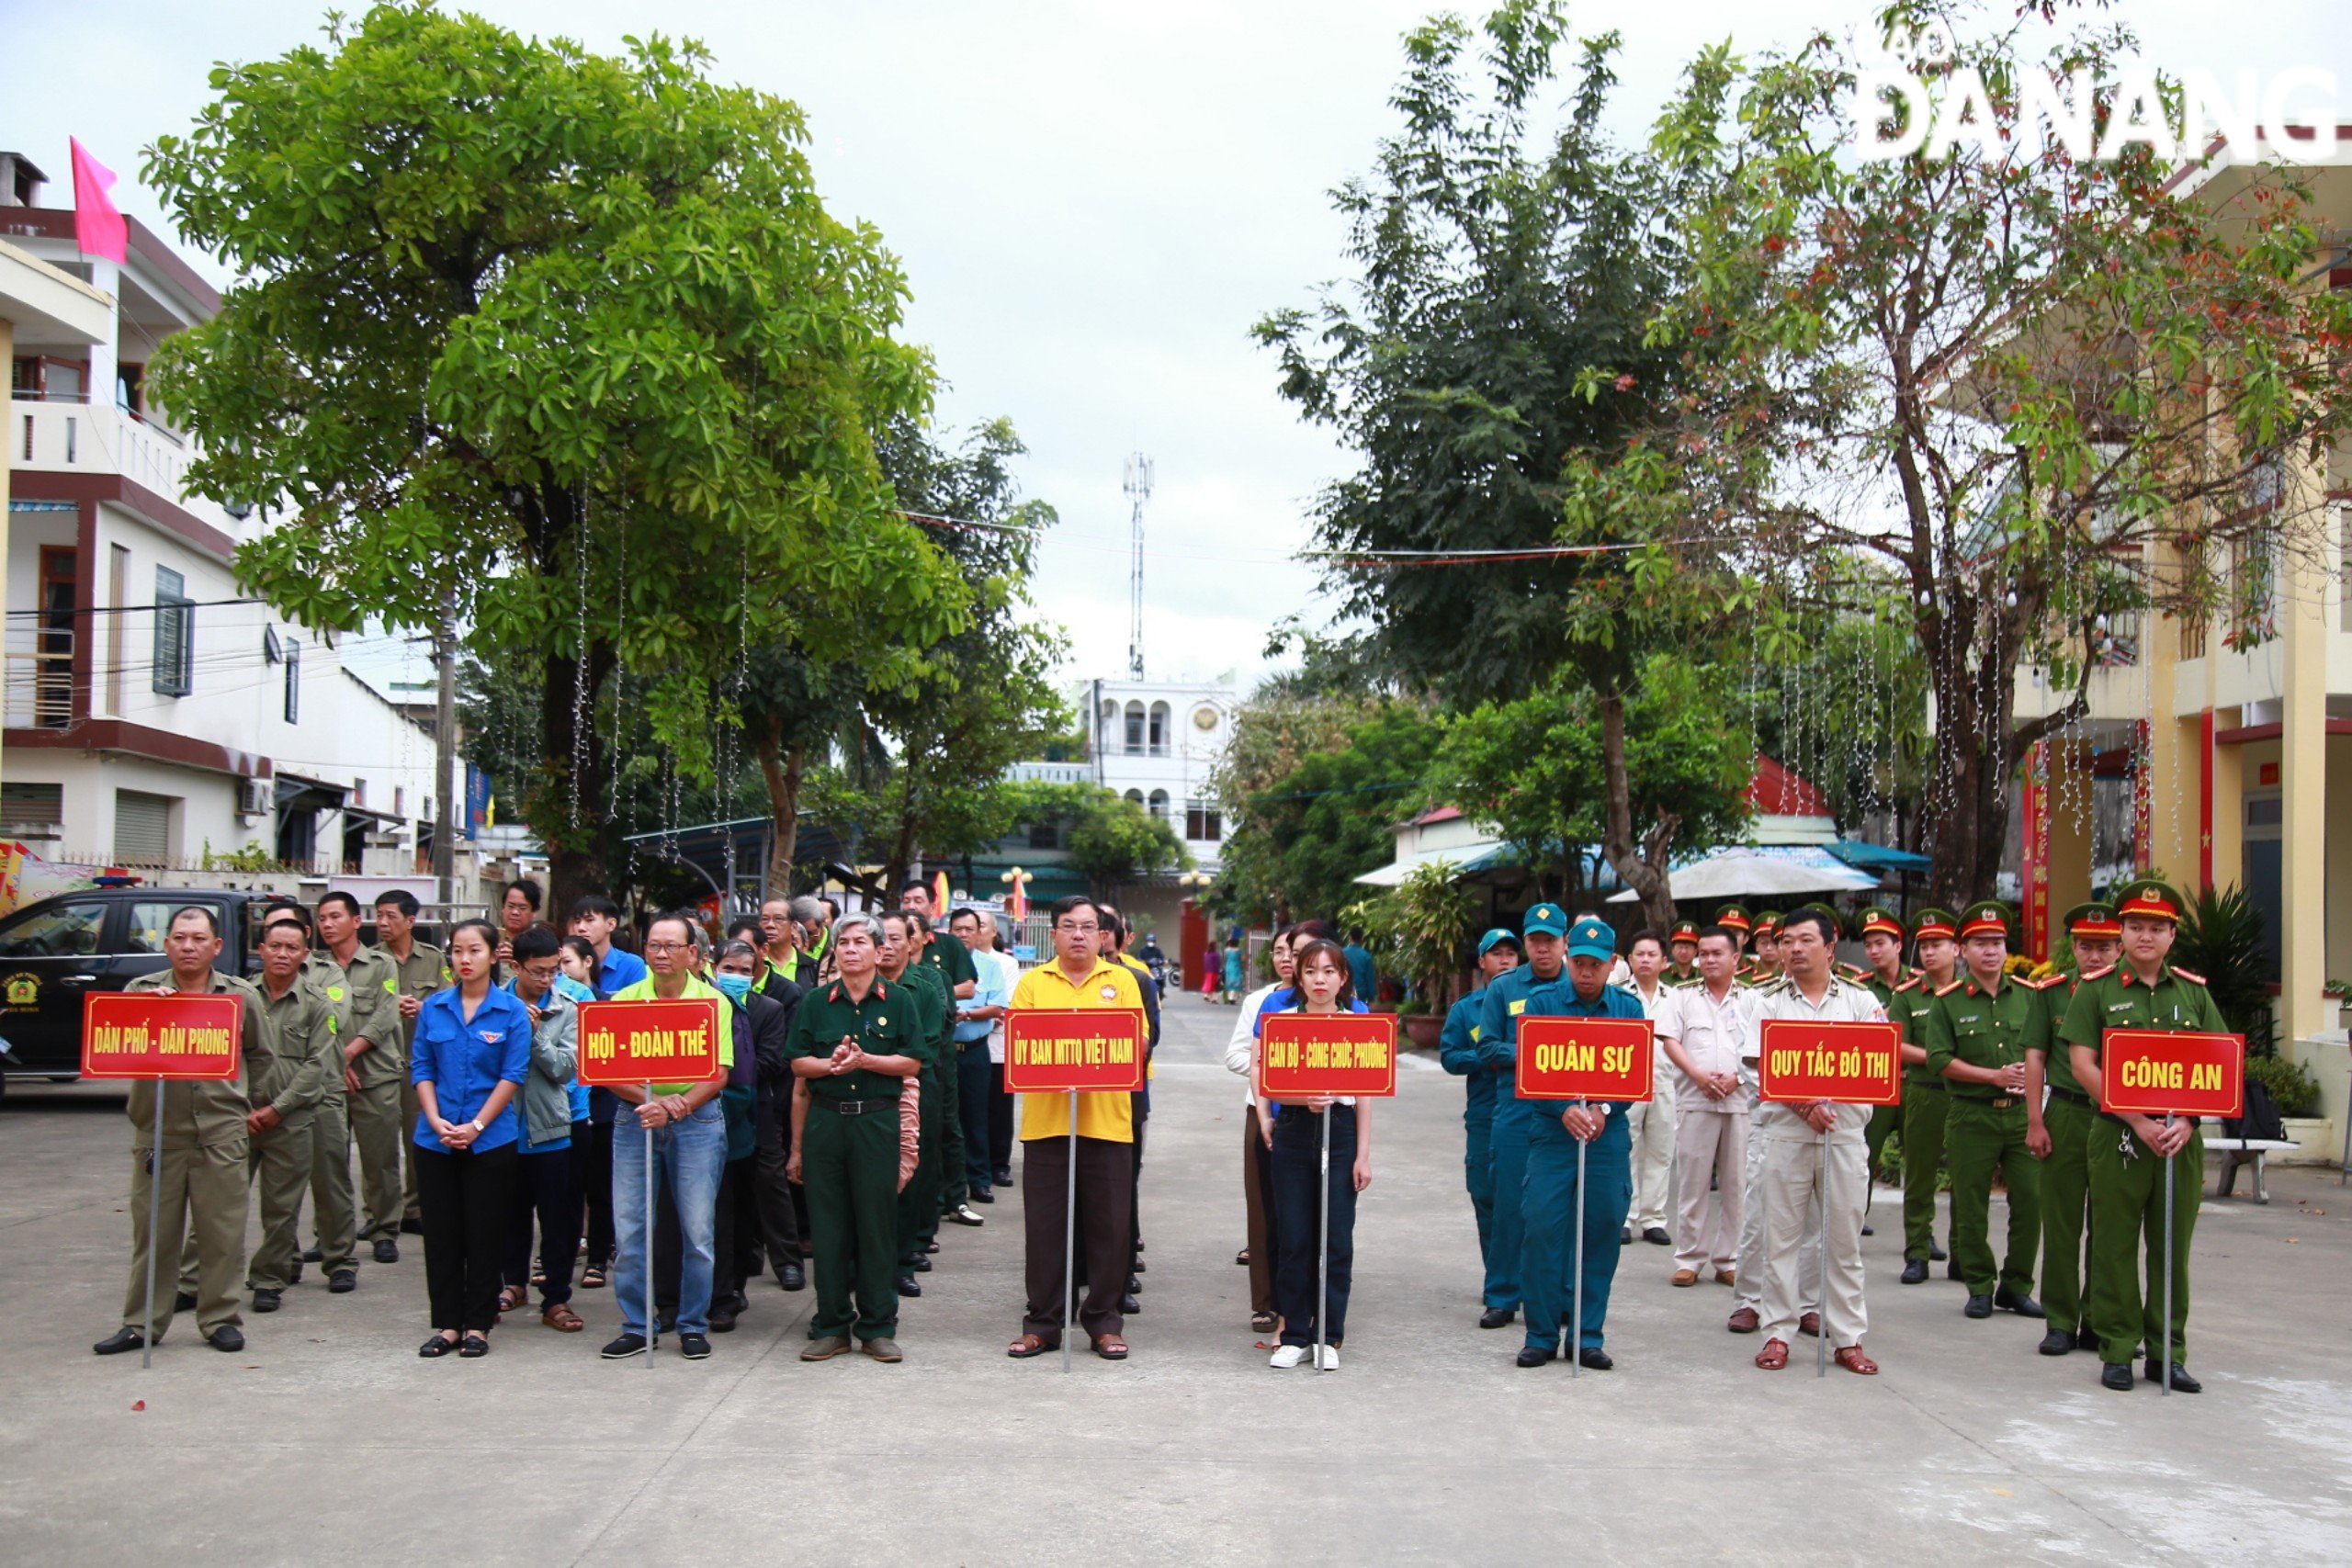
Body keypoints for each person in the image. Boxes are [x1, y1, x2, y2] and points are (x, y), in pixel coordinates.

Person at [2059, 878, 2222, 1394]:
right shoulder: (2097, 988)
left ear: (2173, 936)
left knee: (2171, 1247)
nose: (2145, 936)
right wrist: (2137, 1119)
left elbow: (2219, 1065)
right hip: (2119, 1134)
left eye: (2157, 928)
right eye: (2135, 927)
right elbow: (2082, 1063)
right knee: (2113, 1244)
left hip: (2179, 1139)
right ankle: (2117, 1349)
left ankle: (2167, 1353)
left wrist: (2189, 1121)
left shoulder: (2195, 994)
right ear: (2122, 932)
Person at [94, 908, 271, 1357]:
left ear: (217, 946)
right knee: (154, 1234)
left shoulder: (240, 996)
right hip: (159, 1134)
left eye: (197, 938)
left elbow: (261, 1055)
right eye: (179, 938)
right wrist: (151, 1014)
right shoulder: (141, 991)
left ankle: (219, 1319)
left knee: (222, 1234)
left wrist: (248, 1103)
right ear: (166, 944)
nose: (188, 946)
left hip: (220, 1133)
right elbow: (114, 1047)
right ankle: (141, 1324)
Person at [1005, 896, 1148, 1362]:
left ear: (1103, 935)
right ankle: (1043, 1322)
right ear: (1055, 934)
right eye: (1070, 926)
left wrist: (1090, 1050)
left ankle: (1104, 1322)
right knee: (1045, 1228)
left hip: (1107, 1123)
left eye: (1089, 927)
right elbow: (1020, 1043)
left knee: (1109, 1228)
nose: (1080, 935)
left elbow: (1139, 1043)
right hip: (1047, 1124)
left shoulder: (1122, 980)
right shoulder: (1032, 983)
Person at [1749, 908, 1889, 1375]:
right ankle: (1777, 1332)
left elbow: (1877, 1065)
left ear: (1830, 947)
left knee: (1843, 1242)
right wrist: (1805, 1104)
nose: (1794, 949)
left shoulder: (1859, 1001)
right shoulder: (1768, 1001)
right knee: (1781, 1240)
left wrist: (1830, 1100)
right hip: (1787, 1136)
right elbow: (1759, 1064)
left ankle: (1848, 1337)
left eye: (1806, 940)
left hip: (1844, 1137)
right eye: (1787, 941)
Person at [175, 912, 334, 1316]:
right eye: (275, 947)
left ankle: (269, 1280)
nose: (282, 955)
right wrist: (242, 1109)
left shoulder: (317, 1004)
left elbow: (316, 1066)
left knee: (281, 1210)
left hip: (291, 1119)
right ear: (260, 951)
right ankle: (192, 1282)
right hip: (233, 1120)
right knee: (214, 1208)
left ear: (305, 954)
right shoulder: (237, 996)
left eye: (292, 948)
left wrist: (276, 1110)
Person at [600, 911, 737, 1362]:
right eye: (653, 946)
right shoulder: (624, 1000)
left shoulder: (712, 1004)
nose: (660, 954)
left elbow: (719, 1074)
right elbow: (605, 1070)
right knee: (632, 1228)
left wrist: (678, 1105)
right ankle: (638, 1324)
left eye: (670, 946)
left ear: (692, 953)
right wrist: (653, 1104)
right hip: (635, 1118)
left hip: (697, 1121)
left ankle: (693, 1323)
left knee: (697, 1230)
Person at [1512, 917, 1648, 1371]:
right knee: (1541, 1231)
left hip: (1605, 1137)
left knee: (1602, 1231)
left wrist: (1604, 1109)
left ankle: (1587, 1336)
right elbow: (1528, 1067)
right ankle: (1541, 1334)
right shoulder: (1543, 1001)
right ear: (1570, 960)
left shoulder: (1628, 1010)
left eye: (1596, 965)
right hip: (1553, 1136)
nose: (1586, 973)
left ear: (1613, 964)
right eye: (1580, 963)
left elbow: (1635, 1076)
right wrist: (1561, 1106)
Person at [786, 913, 922, 1362]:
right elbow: (798, 1064)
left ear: (879, 950)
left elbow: (912, 1062)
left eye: (860, 942)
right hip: (827, 1122)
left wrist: (866, 1061)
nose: (849, 950)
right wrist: (833, 1066)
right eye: (842, 942)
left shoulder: (900, 1000)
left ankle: (878, 1326)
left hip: (876, 1122)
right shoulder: (815, 1002)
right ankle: (831, 1325)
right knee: (828, 1228)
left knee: (876, 1226)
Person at [411, 919, 532, 1358]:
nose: (464, 959)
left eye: (474, 950)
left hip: (491, 1139)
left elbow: (512, 1074)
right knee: (442, 1235)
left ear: (494, 954)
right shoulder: (434, 1008)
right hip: (435, 1138)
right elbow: (421, 1068)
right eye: (457, 951)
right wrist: (436, 1120)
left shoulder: (510, 1010)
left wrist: (477, 1125)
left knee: (485, 1233)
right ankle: (446, 1324)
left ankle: (478, 1324)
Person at [1926, 901, 2048, 1322]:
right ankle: (1979, 1284)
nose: (1991, 951)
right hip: (1971, 1114)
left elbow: (2045, 1049)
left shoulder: (2032, 997)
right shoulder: (1948, 1002)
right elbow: (1940, 1059)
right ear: (1963, 950)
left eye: (1997, 942)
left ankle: (2016, 1285)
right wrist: (1992, 1076)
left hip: (2021, 1116)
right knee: (1971, 1204)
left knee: (2031, 1200)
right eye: (1980, 943)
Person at [1261, 938, 1374, 1369]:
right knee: (1294, 1237)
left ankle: (1329, 1335)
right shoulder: (1282, 1022)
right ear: (1298, 976)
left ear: (1343, 978)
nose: (1319, 979)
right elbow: (1271, 1086)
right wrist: (1299, 1100)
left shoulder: (1357, 1026)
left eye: (1329, 971)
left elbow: (1365, 1095)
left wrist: (1363, 1154)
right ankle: (1294, 1334)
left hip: (1341, 1133)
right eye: (1310, 971)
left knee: (1336, 1237)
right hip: (1293, 1131)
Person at [1474, 903, 1574, 1330]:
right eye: (1535, 941)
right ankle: (1502, 1295)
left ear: (1564, 942)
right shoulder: (1504, 987)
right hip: (1515, 1109)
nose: (1542, 949)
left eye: (1550, 941)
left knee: (1562, 1213)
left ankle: (1562, 1297)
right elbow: (1487, 1046)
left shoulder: (1584, 984)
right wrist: (1536, 1055)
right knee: (1510, 1206)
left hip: (1566, 1114)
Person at [2028, 901, 2120, 1357]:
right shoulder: (2052, 993)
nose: (2095, 956)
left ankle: (2100, 1321)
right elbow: (2036, 1058)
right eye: (2086, 947)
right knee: (2061, 1224)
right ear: (2073, 949)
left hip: (2119, 1118)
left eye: (2104, 947)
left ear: (2120, 949)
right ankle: (2060, 1321)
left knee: (2109, 1226)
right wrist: (2035, 1120)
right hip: (2065, 1112)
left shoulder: (2129, 995)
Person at [303, 890, 401, 1292]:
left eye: (334, 917)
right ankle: (328, 1236)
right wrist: (335, 1064)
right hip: (327, 1080)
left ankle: (383, 1230)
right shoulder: (311, 968)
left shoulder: (382, 964)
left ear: (354, 922)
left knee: (379, 1158)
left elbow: (386, 1013)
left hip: (375, 1074)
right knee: (328, 1162)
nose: (326, 925)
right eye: (322, 919)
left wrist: (347, 1054)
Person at [500, 926, 583, 1334]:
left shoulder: (567, 1008)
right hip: (499, 1126)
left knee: (557, 1220)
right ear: (516, 967)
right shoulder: (493, 1003)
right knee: (508, 1213)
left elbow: (565, 1069)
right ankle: (512, 1283)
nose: (547, 980)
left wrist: (535, 1037)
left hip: (550, 1126)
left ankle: (557, 1298)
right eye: (538, 972)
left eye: (553, 971)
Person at [1660, 927, 1750, 1290]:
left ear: (1735, 959)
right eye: (1704, 953)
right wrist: (1697, 1075)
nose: (1709, 960)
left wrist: (1738, 1079)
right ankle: (1689, 1258)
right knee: (1692, 1182)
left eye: (1717, 953)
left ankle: (1729, 1259)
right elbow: (1669, 1040)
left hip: (1740, 1102)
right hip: (1695, 1099)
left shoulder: (1753, 998)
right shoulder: (1682, 997)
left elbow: (1765, 1045)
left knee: (1736, 1184)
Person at [1438, 929, 1520, 1324]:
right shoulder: (1467, 1009)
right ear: (1482, 963)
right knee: (1486, 1196)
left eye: (1510, 954)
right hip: (1485, 1115)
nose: (1505, 960)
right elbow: (1450, 1057)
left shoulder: (1533, 1001)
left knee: (1523, 1201)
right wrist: (1483, 1059)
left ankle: (1517, 1284)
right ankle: (1499, 1280)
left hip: (1525, 1115)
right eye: (1496, 954)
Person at [699, 939, 779, 1332]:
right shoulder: (699, 1008)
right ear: (713, 967)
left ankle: (726, 1294)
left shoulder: (759, 1012)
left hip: (740, 1126)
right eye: (729, 969)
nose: (736, 978)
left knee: (732, 1215)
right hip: (694, 1123)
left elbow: (761, 1067)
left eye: (747, 972)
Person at [569, 894, 647, 1292]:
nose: (582, 927)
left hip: (615, 1093)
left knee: (605, 1181)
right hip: (568, 1091)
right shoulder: (563, 973)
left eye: (590, 919)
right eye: (577, 921)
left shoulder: (632, 968)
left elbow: (632, 1025)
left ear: (611, 924)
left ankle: (603, 1248)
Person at [1227, 927, 1299, 1335]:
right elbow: (1236, 1055)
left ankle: (1303, 1296)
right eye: (1278, 951)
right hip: (1265, 1108)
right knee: (1263, 1206)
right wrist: (1272, 1071)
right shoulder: (1260, 1001)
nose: (1286, 958)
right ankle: (1265, 1301)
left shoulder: (1336, 1002)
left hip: (1315, 1112)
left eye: (1294, 951)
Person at [876, 910, 950, 1298]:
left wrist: (877, 1063)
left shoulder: (924, 986)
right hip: (866, 1097)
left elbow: (926, 1044)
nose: (886, 946)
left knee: (910, 1178)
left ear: (911, 943)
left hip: (915, 1090)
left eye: (894, 938)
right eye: (880, 939)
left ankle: (904, 1263)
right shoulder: (855, 989)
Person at [1888, 908, 1962, 1283]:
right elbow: (1896, 1043)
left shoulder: (1970, 994)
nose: (1930, 952)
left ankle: (1962, 1254)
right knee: (1919, 1176)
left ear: (1957, 949)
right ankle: (1916, 1251)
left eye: (1938, 945)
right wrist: (1944, 1061)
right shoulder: (1908, 995)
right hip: (1924, 1092)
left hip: (1966, 1096)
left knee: (1967, 1177)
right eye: (1925, 946)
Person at [375, 890, 449, 1240]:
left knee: (417, 1138)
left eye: (391, 916)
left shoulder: (433, 960)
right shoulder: (372, 961)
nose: (383, 923)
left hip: (419, 1064)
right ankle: (378, 1213)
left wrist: (423, 1008)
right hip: (379, 1061)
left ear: (410, 921)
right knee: (379, 1145)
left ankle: (414, 1208)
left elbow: (451, 999)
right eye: (379, 916)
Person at [739, 928, 808, 1294]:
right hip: (717, 1109)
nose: (736, 974)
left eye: (744, 965)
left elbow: (778, 1060)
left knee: (771, 1184)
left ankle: (787, 1261)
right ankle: (744, 1257)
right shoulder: (708, 1003)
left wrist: (723, 1070)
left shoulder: (779, 1000)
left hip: (766, 1104)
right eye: (727, 967)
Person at [1619, 930, 1679, 1249]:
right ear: (1629, 960)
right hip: (1628, 1082)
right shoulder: (1619, 995)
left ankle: (1654, 1218)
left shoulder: (1677, 998)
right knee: (1626, 1149)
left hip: (1666, 1082)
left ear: (1663, 961)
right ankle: (1626, 1217)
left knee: (1661, 1150)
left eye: (1651, 954)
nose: (1645, 959)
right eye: (1639, 954)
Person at [949, 908, 1012, 1205]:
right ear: (949, 932)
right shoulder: (938, 965)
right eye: (957, 929)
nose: (963, 934)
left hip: (976, 1052)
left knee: (976, 1119)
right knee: (946, 1121)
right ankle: (949, 1187)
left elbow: (998, 1007)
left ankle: (979, 1180)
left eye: (969, 929)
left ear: (979, 933)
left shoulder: (989, 966)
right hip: (943, 1053)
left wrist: (967, 1015)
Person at [1853, 907, 1909, 1237]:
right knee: (1864, 1157)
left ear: (1898, 945)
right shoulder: (1859, 989)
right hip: (1874, 1087)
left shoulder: (1921, 984)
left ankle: (1920, 1234)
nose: (1874, 951)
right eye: (1869, 945)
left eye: (1880, 943)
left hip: (1912, 1082)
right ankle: (1856, 1219)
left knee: (1918, 1163)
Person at [965, 909, 1023, 1190]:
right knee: (970, 1111)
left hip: (997, 1047)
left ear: (990, 932)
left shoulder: (1005, 964)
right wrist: (983, 1012)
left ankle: (999, 1165)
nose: (970, 932)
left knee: (998, 1110)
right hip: (965, 1045)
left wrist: (974, 1013)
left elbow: (1004, 1009)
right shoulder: (958, 962)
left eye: (979, 926)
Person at [495, 878, 543, 969]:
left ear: (535, 912)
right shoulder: (489, 939)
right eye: (511, 906)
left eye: (522, 908)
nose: (515, 912)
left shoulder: (541, 944)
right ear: (503, 908)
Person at [1341, 933, 1378, 1008]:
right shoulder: (1366, 955)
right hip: (1361, 994)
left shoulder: (1341, 953)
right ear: (1362, 939)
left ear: (1350, 938)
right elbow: (1370, 978)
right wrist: (1371, 998)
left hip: (1343, 991)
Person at [1665, 920, 1702, 987]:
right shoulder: (1661, 976)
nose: (1683, 951)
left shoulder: (1702, 975)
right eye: (1680, 947)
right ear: (1672, 950)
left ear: (1696, 951)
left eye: (1687, 947)